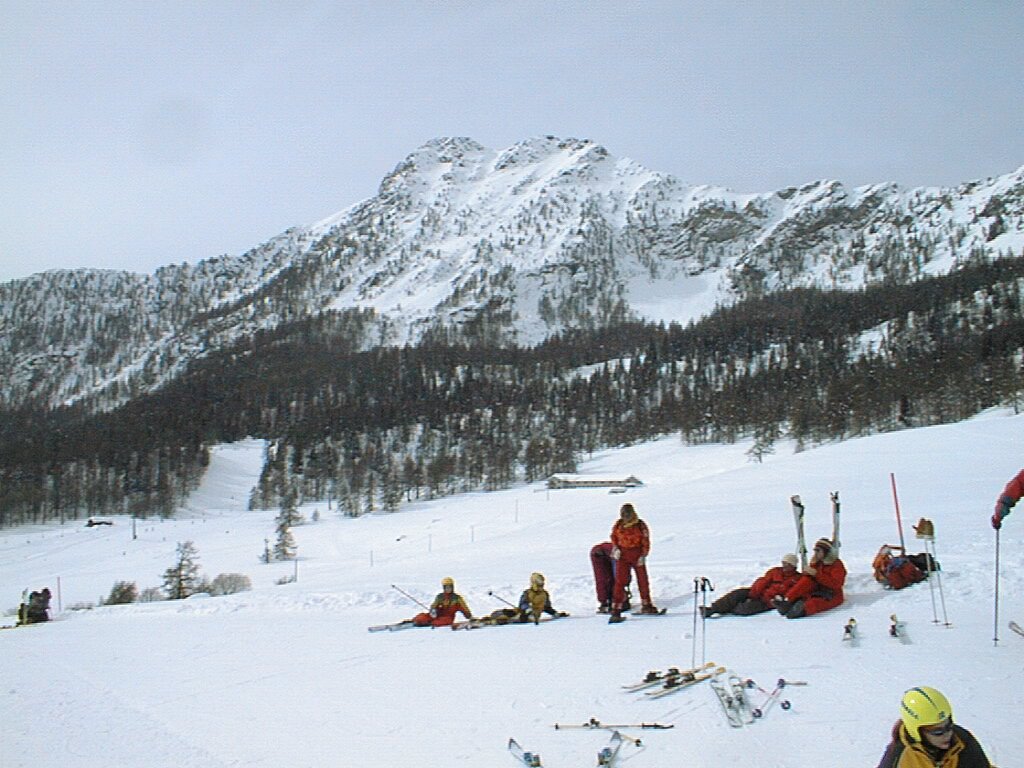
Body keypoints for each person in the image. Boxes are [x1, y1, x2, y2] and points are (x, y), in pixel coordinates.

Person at [876, 686, 992, 767]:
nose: (947, 734)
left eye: (949, 726)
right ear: (918, 732)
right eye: (937, 732)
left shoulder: (961, 741)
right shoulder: (899, 757)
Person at [701, 554, 801, 617]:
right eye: (784, 563)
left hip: (768, 602)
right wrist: (753, 594)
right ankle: (712, 609)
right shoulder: (775, 571)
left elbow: (790, 594)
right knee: (736, 594)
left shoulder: (796, 579)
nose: (784, 566)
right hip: (757, 592)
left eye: (787, 564)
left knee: (745, 609)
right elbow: (762, 582)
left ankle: (728, 610)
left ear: (793, 566)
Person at [608, 503, 660, 623]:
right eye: (624, 514)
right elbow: (614, 536)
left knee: (642, 580)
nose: (625, 516)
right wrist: (615, 548)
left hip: (637, 554)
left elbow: (645, 540)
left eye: (628, 513)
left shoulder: (640, 525)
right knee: (620, 582)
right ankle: (616, 609)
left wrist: (643, 554)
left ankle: (646, 604)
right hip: (623, 555)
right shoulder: (619, 524)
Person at [773, 537, 846, 619]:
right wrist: (810, 570)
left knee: (816, 602)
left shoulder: (836, 565)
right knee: (806, 581)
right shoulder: (818, 562)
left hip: (831, 593)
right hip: (817, 588)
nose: (815, 553)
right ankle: (787, 600)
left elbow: (836, 584)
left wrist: (816, 574)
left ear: (825, 551)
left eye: (818, 550)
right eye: (815, 550)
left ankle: (803, 609)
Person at [590, 541, 632, 613]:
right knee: (618, 578)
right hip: (613, 552)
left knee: (602, 578)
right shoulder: (623, 552)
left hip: (598, 552)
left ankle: (605, 602)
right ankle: (618, 600)